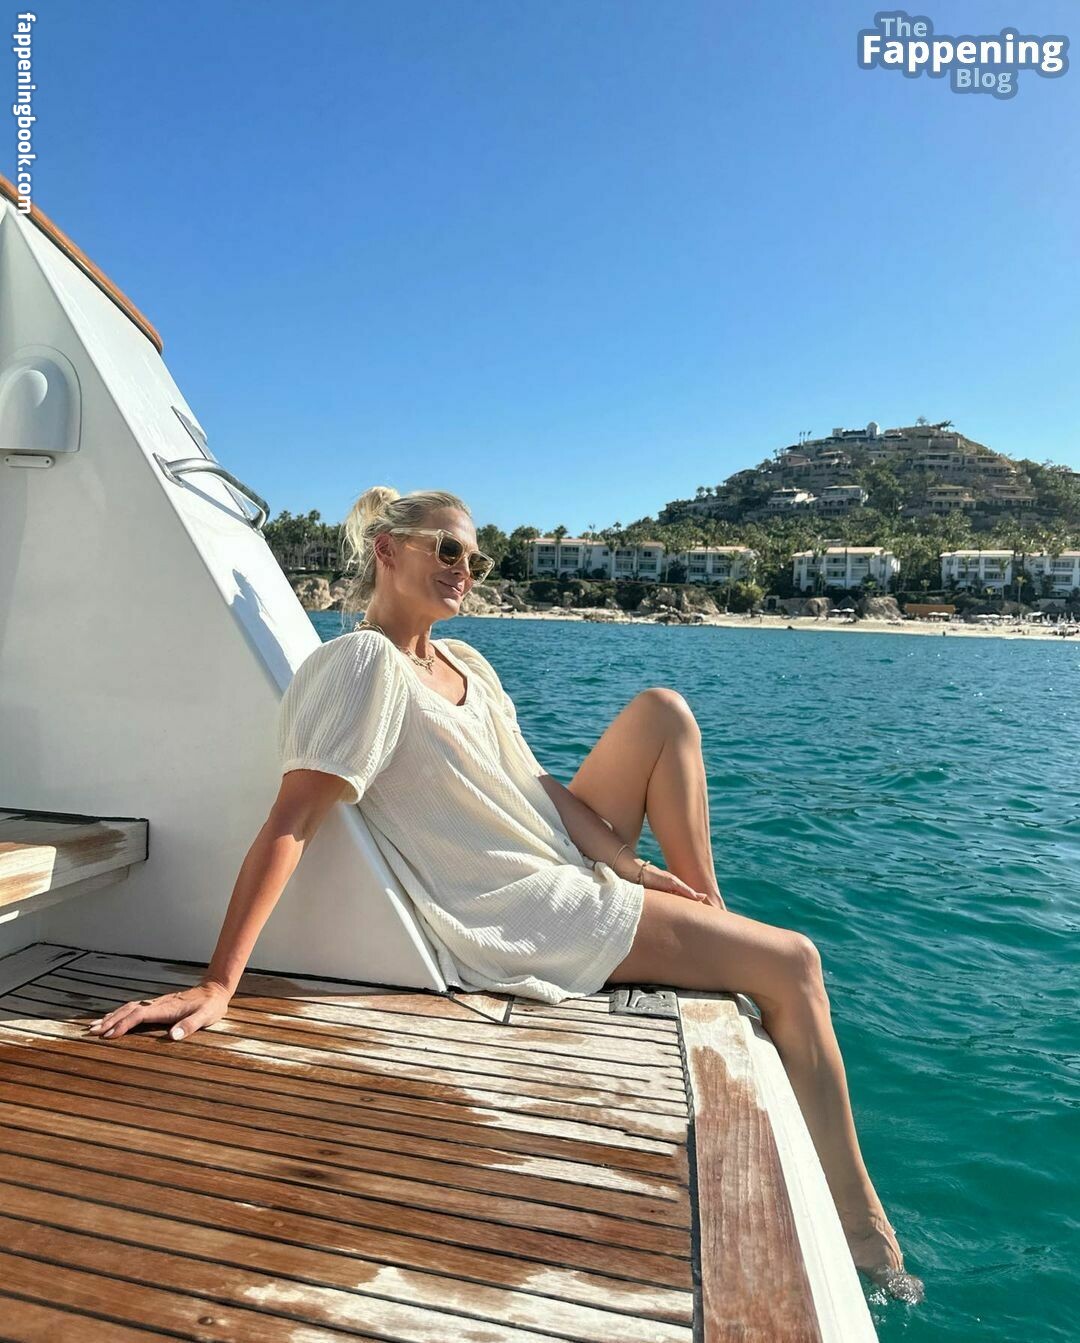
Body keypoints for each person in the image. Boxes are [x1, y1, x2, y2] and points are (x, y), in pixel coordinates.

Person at [84, 484, 924, 1304]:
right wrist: (219, 982)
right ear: (388, 550)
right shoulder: (362, 665)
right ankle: (864, 1226)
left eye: (476, 559)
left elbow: (537, 785)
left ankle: (712, 923)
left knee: (664, 712)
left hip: (556, 856)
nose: (466, 569)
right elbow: (291, 819)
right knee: (796, 965)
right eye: (449, 549)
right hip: (516, 907)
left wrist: (629, 866)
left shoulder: (468, 664)